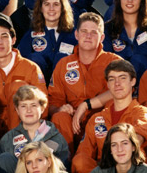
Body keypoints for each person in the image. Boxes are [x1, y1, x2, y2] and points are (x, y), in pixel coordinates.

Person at [47, 12, 120, 150]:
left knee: (109, 110)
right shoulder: (63, 64)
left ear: (102, 37)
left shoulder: (114, 62)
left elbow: (123, 92)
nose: (88, 36)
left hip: (101, 125)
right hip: (72, 124)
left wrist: (87, 105)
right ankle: (63, 164)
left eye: (94, 32)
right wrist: (59, 108)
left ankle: (104, 161)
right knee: (59, 116)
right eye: (84, 31)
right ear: (76, 35)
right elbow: (52, 101)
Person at [71, 59, 147, 173]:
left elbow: (136, 141)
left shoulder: (141, 113)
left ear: (133, 81)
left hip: (131, 171)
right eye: (112, 79)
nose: (117, 83)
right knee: (79, 160)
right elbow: (83, 154)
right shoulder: (97, 119)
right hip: (102, 171)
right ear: (108, 85)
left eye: (122, 78)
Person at [0, 85, 70, 173]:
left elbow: (63, 172)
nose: (29, 110)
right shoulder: (8, 139)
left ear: (42, 108)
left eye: (33, 105)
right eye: (23, 106)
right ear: (17, 110)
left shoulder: (56, 138)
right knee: (4, 158)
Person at [17, 0, 77, 80]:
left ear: (62, 8)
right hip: (38, 89)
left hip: (66, 87)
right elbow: (21, 66)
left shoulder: (74, 35)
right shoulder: (30, 36)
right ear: (40, 8)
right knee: (35, 58)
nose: (51, 8)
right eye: (47, 4)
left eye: (56, 4)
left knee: (62, 58)